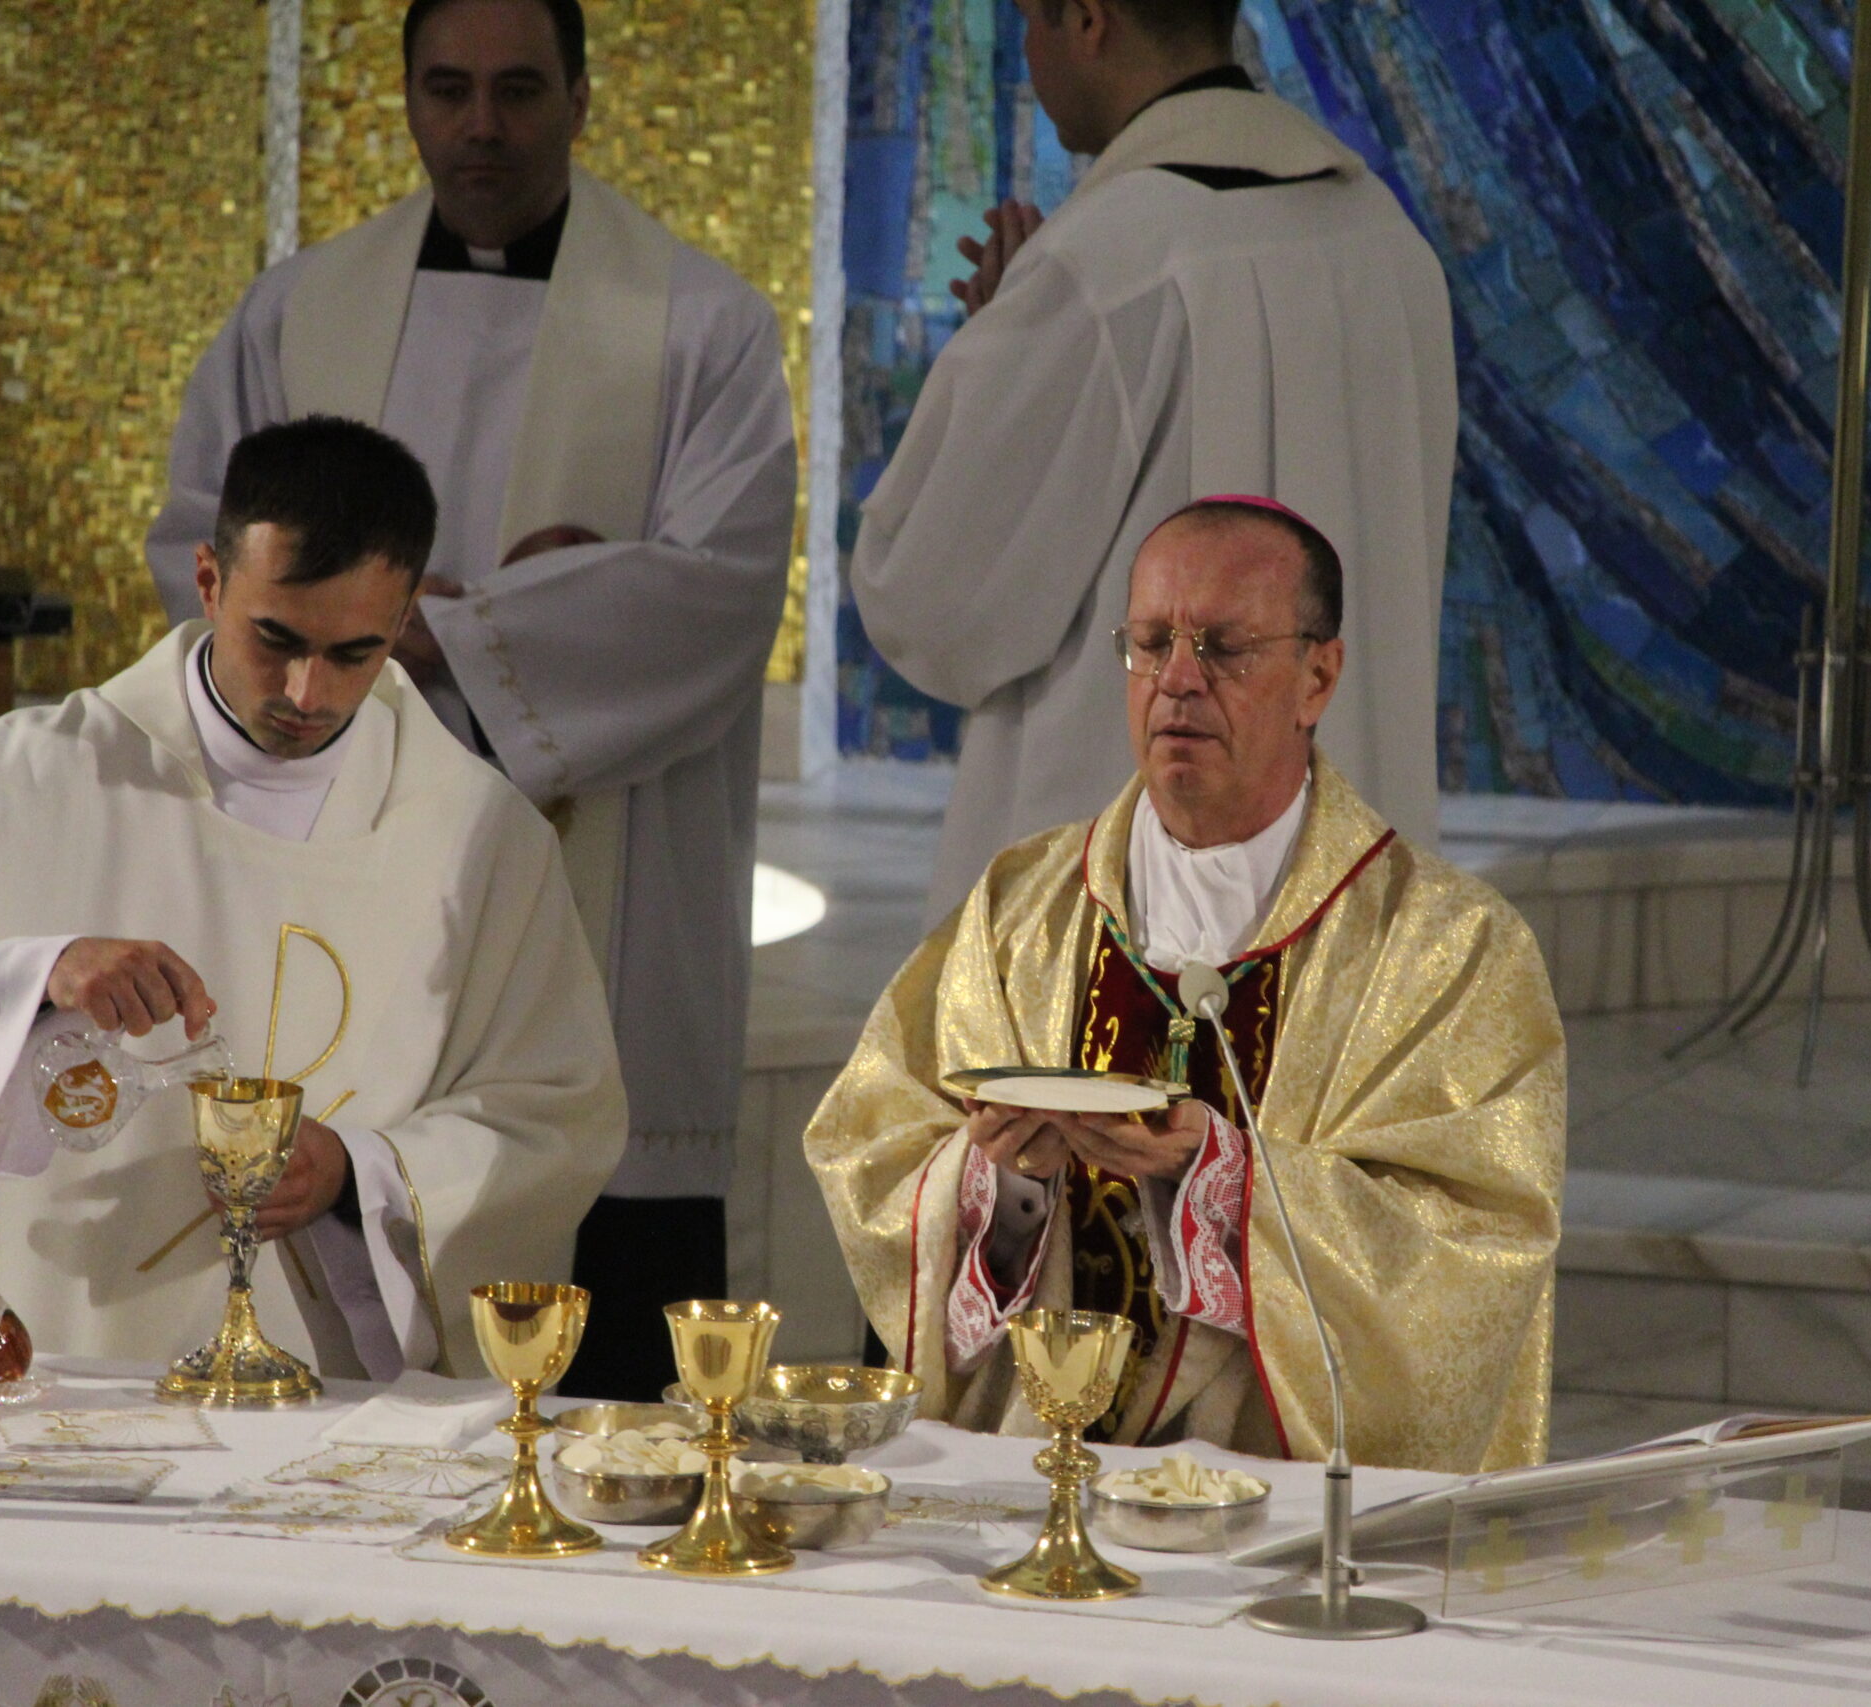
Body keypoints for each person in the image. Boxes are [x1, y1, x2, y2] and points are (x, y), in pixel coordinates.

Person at [144, 0, 797, 1394]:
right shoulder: (298, 312)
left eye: (518, 90)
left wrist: (463, 633)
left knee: (609, 1326)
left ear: (581, 95)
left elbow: (725, 587)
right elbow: (199, 541)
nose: (481, 126)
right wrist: (462, 624)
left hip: (615, 875)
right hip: (353, 848)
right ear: (405, 97)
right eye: (448, 90)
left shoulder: (702, 325)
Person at [0, 418, 627, 1378]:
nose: (307, 691)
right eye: (277, 638)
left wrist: (359, 1172)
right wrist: (36, 973)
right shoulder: (20, 781)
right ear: (210, 581)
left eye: (354, 652)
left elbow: (554, 1112)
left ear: (403, 622)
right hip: (67, 1367)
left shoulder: (481, 839)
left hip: (332, 1394)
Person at [807, 499, 1561, 1469]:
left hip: (1275, 1487)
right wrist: (997, 1177)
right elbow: (871, 1148)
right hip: (1035, 1470)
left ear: (1318, 677)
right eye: (1152, 642)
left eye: (1224, 648)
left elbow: (1473, 1252)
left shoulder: (1449, 949)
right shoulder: (1020, 911)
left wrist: (1223, 1179)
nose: (1176, 680)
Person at [850, 0, 1457, 923]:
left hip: (1130, 911)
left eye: (1031, 17)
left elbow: (931, 603)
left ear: (1088, 19)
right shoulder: (1387, 243)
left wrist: (1001, 345)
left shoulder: (1104, 265)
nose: (1029, 47)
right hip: (1351, 878)